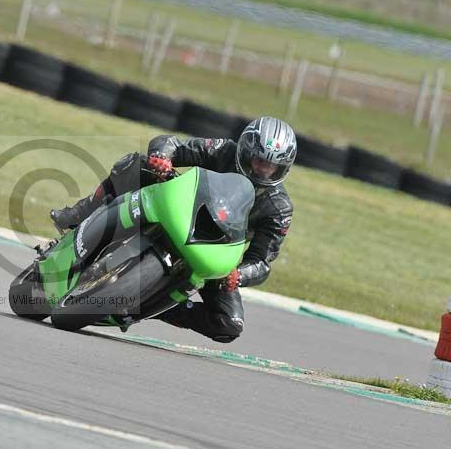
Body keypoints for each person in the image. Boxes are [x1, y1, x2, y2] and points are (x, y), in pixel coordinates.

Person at [50, 116, 296, 343]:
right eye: (259, 160)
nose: (262, 169)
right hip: (178, 209)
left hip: (212, 251)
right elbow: (172, 144)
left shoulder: (279, 209)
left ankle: (149, 305)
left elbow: (261, 262)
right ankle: (80, 214)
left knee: (229, 324)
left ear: (282, 169)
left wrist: (238, 275)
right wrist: (162, 157)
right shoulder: (223, 150)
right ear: (245, 151)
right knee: (139, 165)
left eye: (271, 166)